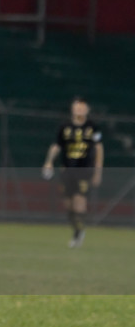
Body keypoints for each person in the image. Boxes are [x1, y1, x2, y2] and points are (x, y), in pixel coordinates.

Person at [42, 97, 104, 248]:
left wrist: (98, 171)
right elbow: (56, 146)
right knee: (69, 206)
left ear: (87, 110)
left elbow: (99, 149)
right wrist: (49, 162)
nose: (80, 110)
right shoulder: (64, 127)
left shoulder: (92, 127)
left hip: (84, 170)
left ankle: (80, 232)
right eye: (77, 107)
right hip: (67, 170)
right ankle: (77, 229)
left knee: (79, 204)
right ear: (72, 109)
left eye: (83, 107)